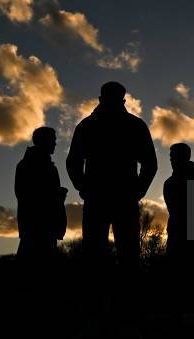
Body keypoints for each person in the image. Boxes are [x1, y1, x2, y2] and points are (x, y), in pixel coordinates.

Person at [66, 81, 157, 269]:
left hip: (105, 198)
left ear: (101, 99)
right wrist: (137, 190)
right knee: (125, 254)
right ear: (123, 100)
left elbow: (73, 162)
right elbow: (150, 163)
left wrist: (83, 187)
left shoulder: (87, 125)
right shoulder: (134, 125)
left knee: (100, 254)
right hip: (118, 198)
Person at [15, 127, 67, 263]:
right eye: (53, 140)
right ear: (44, 141)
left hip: (44, 227)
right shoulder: (29, 165)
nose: (55, 144)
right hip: (38, 227)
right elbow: (27, 196)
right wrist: (57, 196)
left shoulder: (46, 165)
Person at [163, 143, 194, 259]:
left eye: (175, 157)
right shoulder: (169, 184)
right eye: (171, 157)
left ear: (185, 157)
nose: (172, 161)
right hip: (176, 238)